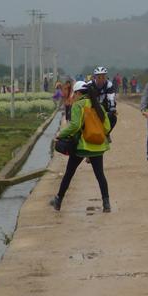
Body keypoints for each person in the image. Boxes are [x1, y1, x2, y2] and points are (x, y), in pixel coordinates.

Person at [49, 81, 112, 213]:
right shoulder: (98, 105)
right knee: (100, 175)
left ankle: (58, 200)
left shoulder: (78, 105)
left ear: (78, 93)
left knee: (69, 173)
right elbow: (106, 127)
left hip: (82, 146)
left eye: (74, 94)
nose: (74, 96)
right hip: (97, 146)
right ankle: (106, 204)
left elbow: (75, 126)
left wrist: (61, 134)